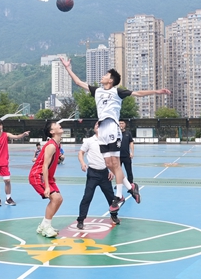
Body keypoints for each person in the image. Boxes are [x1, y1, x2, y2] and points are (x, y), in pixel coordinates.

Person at [61, 58, 170, 208]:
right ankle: (131, 187)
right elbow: (79, 83)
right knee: (108, 164)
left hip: (112, 126)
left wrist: (156, 92)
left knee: (116, 164)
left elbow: (138, 93)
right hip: (102, 130)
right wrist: (68, 68)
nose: (102, 76)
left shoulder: (117, 92)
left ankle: (119, 196)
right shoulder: (97, 91)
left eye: (105, 75)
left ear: (111, 80)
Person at [77, 122, 120, 230]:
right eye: (96, 125)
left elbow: (112, 157)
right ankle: (81, 219)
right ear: (94, 128)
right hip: (93, 173)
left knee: (111, 197)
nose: (98, 127)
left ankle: (114, 216)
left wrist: (112, 171)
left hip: (105, 173)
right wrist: (82, 163)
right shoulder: (89, 141)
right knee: (87, 197)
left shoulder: (108, 141)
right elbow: (81, 153)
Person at [29, 121, 64, 237]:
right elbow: (44, 165)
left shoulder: (57, 144)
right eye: (55, 124)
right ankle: (46, 228)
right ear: (52, 131)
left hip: (47, 176)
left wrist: (50, 177)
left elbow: (52, 164)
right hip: (37, 176)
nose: (59, 125)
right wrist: (47, 186)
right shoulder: (51, 145)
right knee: (55, 198)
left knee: (59, 199)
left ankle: (43, 225)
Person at [0, 118, 29, 206]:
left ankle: (8, 198)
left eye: (1, 124)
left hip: (4, 163)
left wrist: (23, 134)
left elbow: (16, 137)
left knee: (7, 181)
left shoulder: (6, 135)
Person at [118, 119, 135, 197]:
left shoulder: (128, 133)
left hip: (126, 155)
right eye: (120, 123)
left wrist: (132, 152)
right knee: (118, 172)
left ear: (125, 124)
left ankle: (131, 185)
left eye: (122, 123)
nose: (121, 124)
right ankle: (119, 185)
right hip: (117, 156)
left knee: (129, 171)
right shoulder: (116, 133)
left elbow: (131, 142)